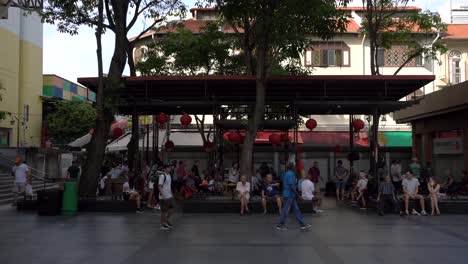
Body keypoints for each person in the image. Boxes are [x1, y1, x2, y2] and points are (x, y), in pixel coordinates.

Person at [276, 162, 311, 231]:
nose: (295, 168)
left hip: (290, 195)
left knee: (296, 209)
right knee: (285, 210)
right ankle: (280, 225)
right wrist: (298, 195)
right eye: (294, 166)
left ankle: (302, 224)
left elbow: (284, 184)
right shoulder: (290, 174)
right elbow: (291, 186)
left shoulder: (287, 173)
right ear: (291, 167)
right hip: (289, 195)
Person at [159, 163, 176, 230]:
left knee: (173, 209)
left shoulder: (169, 175)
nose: (170, 168)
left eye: (170, 167)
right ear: (165, 168)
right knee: (163, 211)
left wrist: (171, 194)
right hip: (163, 196)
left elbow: (168, 186)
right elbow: (159, 186)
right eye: (168, 167)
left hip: (169, 195)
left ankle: (166, 220)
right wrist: (163, 195)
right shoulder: (162, 176)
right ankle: (162, 224)